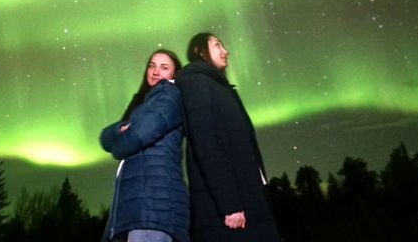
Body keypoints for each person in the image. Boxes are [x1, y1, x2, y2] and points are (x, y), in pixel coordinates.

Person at [176, 33, 282, 242]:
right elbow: (204, 143)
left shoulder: (220, 87)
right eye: (217, 45)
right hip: (231, 210)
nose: (226, 51)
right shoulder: (197, 83)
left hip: (248, 199)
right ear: (200, 52)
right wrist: (229, 204)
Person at [100, 49, 190, 242]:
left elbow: (140, 133)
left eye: (164, 67)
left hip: (152, 207)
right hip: (139, 208)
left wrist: (120, 145)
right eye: (152, 65)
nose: (155, 72)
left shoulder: (170, 94)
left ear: (174, 74)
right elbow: (104, 138)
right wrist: (123, 128)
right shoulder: (145, 103)